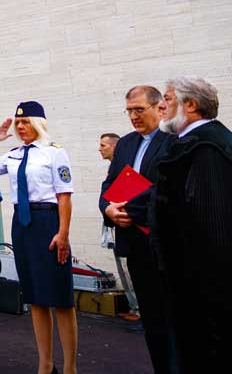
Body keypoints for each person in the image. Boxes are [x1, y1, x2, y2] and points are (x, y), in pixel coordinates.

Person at [0, 101, 77, 374]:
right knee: (35, 297)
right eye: (18, 123)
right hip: (23, 225)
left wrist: (63, 233)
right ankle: (45, 364)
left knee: (61, 298)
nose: (21, 127)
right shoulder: (13, 155)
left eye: (26, 122)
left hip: (48, 222)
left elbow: (64, 197)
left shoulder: (55, 153)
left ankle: (70, 367)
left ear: (39, 123)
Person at [154, 76, 232, 372]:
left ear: (191, 105)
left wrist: (203, 289)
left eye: (168, 98)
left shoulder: (207, 149)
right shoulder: (192, 144)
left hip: (205, 291)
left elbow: (214, 227)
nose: (161, 105)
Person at [99, 86, 175, 371]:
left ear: (160, 108)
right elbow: (109, 185)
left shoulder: (174, 141)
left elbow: (165, 189)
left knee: (173, 319)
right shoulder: (127, 144)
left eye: (139, 110)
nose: (133, 116)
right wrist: (108, 208)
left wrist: (127, 209)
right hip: (134, 244)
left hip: (164, 243)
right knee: (151, 320)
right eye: (129, 111)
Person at [96, 131, 139, 322]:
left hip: (128, 224)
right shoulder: (114, 168)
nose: (100, 149)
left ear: (115, 146)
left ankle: (138, 308)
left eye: (103, 145)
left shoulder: (126, 166)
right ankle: (135, 306)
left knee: (129, 267)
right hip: (114, 220)